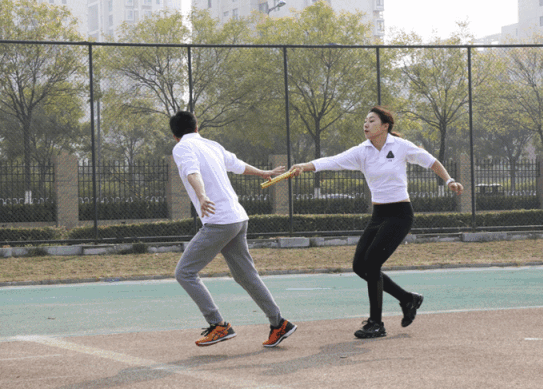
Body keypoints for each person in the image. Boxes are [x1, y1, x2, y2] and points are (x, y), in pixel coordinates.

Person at [289, 106, 463, 339]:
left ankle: (376, 323)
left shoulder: (400, 146)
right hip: (378, 214)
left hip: (400, 214)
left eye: (371, 120)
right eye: (365, 121)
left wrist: (450, 181)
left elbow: (431, 161)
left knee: (372, 263)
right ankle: (407, 299)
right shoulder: (362, 151)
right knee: (359, 266)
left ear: (385, 126)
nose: (366, 124)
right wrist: (305, 166)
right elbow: (333, 161)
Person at [169, 110, 297, 348]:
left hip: (219, 222)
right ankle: (278, 323)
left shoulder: (182, 148)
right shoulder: (212, 145)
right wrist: (263, 172)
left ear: (175, 136)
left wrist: (202, 195)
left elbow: (192, 172)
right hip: (238, 219)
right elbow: (237, 165)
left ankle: (218, 325)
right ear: (197, 127)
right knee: (246, 275)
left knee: (184, 273)